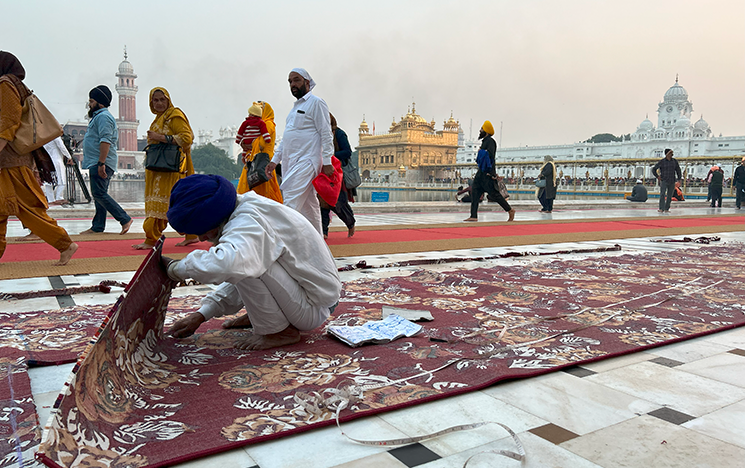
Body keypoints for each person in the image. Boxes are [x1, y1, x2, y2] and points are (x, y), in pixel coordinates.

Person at [163, 174, 341, 350]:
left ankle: (279, 332)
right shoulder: (244, 208)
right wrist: (202, 314)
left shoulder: (247, 221)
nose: (203, 237)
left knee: (243, 262)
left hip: (315, 306)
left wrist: (175, 270)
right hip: (311, 296)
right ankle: (265, 316)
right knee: (246, 261)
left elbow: (230, 265)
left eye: (203, 231)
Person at [0, 51, 77, 265]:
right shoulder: (9, 84)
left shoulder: (5, 84)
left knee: (27, 209)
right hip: (8, 161)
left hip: (12, 160)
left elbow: (9, 121)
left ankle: (65, 243)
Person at [265, 68, 334, 235]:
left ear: (307, 82)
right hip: (291, 162)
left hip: (307, 161)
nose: (292, 84)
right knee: (310, 207)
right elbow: (287, 139)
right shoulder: (294, 109)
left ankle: (281, 245)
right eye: (290, 82)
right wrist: (275, 160)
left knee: (290, 202)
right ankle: (318, 244)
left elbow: (326, 132)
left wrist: (327, 161)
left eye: (296, 80)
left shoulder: (316, 103)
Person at [79, 85, 132, 234]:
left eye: (91, 101)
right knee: (99, 193)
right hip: (97, 161)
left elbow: (105, 141)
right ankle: (98, 226)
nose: (89, 104)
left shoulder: (103, 117)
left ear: (100, 103)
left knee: (99, 193)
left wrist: (101, 162)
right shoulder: (99, 117)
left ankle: (124, 218)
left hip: (101, 161)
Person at [463, 121, 515, 222]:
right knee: (475, 193)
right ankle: (473, 216)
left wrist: (481, 152)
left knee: (495, 195)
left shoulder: (490, 142)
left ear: (486, 131)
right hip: (481, 173)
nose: (480, 130)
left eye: (482, 129)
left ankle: (510, 210)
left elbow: (490, 156)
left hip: (487, 174)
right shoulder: (484, 141)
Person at [236, 101, 282, 203]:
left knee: (262, 192)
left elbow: (261, 143)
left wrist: (247, 143)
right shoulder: (262, 124)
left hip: (262, 161)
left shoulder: (268, 124)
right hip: (257, 159)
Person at [320, 114, 355, 238]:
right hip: (321, 175)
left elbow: (347, 152)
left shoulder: (339, 134)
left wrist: (329, 156)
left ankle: (350, 223)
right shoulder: (318, 135)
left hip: (336, 175)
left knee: (338, 203)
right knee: (322, 203)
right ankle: (323, 231)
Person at [41, 137, 73, 205]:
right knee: (62, 179)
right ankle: (59, 197)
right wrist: (69, 156)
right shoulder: (55, 136)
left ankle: (51, 199)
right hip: (56, 160)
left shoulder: (43, 137)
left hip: (47, 161)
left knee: (49, 180)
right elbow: (61, 146)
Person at [652, 148, 681, 213]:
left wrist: (679, 179)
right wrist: (657, 176)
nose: (672, 155)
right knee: (662, 194)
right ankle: (661, 208)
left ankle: (666, 208)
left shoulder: (674, 161)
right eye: (670, 153)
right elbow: (654, 169)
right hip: (664, 180)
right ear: (667, 154)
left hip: (672, 180)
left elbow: (678, 170)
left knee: (670, 195)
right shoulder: (662, 162)